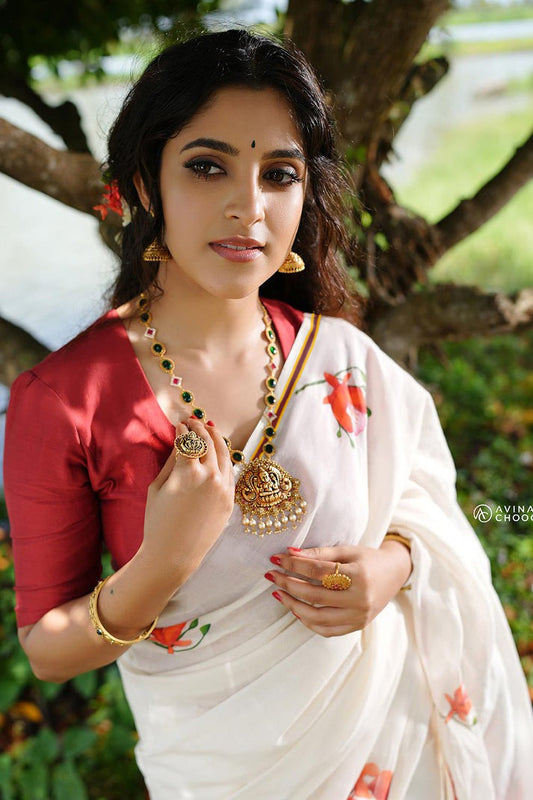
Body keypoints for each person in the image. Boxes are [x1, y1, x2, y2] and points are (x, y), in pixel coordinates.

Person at [3, 28, 532, 800]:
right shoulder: (66, 398)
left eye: (278, 174)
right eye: (207, 166)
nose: (247, 207)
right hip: (222, 772)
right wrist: (161, 566)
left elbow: (424, 501)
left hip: (395, 753)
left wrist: (392, 567)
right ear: (145, 184)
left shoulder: (340, 359)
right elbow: (47, 650)